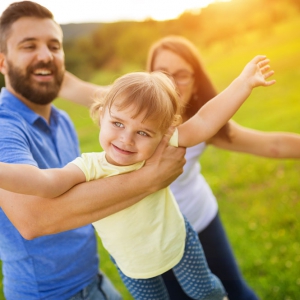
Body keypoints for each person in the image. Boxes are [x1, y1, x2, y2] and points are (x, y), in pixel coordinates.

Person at [0, 54, 275, 299]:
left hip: (177, 241)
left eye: (143, 132)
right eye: (118, 123)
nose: (126, 139)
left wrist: (244, 83)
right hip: (132, 264)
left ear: (162, 132)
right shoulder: (88, 167)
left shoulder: (162, 146)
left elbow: (204, 121)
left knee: (204, 292)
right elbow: (44, 183)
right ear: (101, 114)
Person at [58, 35, 300, 300]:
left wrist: (244, 83)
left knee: (226, 291)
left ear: (196, 80)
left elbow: (268, 143)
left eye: (182, 74)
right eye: (163, 72)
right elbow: (70, 85)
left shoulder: (184, 130)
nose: (171, 81)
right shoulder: (125, 103)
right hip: (141, 247)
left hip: (194, 222)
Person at [0, 3, 186, 300]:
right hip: (49, 294)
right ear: (3, 62)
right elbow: (33, 219)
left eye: (54, 45)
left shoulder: (61, 120)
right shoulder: (3, 125)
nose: (46, 55)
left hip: (91, 279)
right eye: (28, 46)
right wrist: (150, 179)